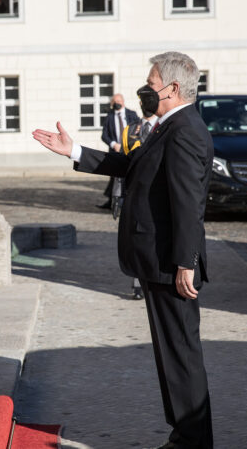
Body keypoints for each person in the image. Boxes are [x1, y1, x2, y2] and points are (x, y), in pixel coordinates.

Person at [33, 52, 213, 448]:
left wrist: (186, 261)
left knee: (181, 354)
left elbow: (188, 204)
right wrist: (75, 151)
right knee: (171, 354)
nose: (145, 90)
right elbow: (131, 165)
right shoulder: (168, 126)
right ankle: (184, 434)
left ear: (173, 88)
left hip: (171, 263)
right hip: (159, 261)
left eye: (151, 84)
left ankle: (193, 440)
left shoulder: (184, 129)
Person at [119, 98, 159, 300]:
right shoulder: (130, 130)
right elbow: (122, 165)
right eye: (143, 102)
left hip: (155, 196)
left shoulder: (163, 127)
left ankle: (152, 281)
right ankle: (137, 285)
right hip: (134, 193)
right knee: (135, 242)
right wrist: (117, 195)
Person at [98, 94, 138, 209]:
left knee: (128, 174)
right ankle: (112, 201)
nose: (117, 103)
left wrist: (131, 144)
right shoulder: (109, 116)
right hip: (115, 150)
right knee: (114, 175)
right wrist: (113, 144)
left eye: (119, 101)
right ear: (111, 103)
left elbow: (137, 130)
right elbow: (104, 135)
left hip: (129, 149)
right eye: (115, 101)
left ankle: (126, 201)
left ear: (123, 102)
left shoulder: (132, 114)